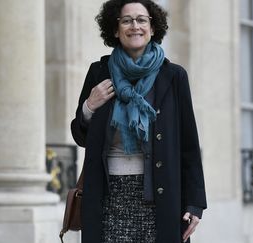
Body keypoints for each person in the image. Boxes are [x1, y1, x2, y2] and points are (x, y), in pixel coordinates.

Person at [71, 0, 207, 242]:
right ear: (115, 29)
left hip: (160, 196)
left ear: (153, 28)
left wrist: (195, 203)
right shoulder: (98, 72)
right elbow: (81, 136)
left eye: (142, 20)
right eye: (126, 20)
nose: (135, 26)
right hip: (107, 196)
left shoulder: (173, 76)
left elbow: (188, 145)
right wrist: (89, 106)